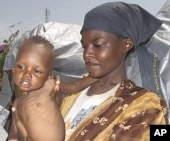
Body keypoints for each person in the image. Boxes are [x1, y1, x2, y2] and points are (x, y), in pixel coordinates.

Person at [59, 2, 168, 141]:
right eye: (84, 46)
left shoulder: (145, 105)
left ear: (126, 45)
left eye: (98, 45)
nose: (87, 54)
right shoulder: (71, 97)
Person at [7, 36, 65, 141]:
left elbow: (60, 91)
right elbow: (13, 132)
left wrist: (54, 83)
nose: (26, 74)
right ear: (13, 69)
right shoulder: (17, 103)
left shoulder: (48, 91)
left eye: (37, 71)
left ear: (48, 76)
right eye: (21, 67)